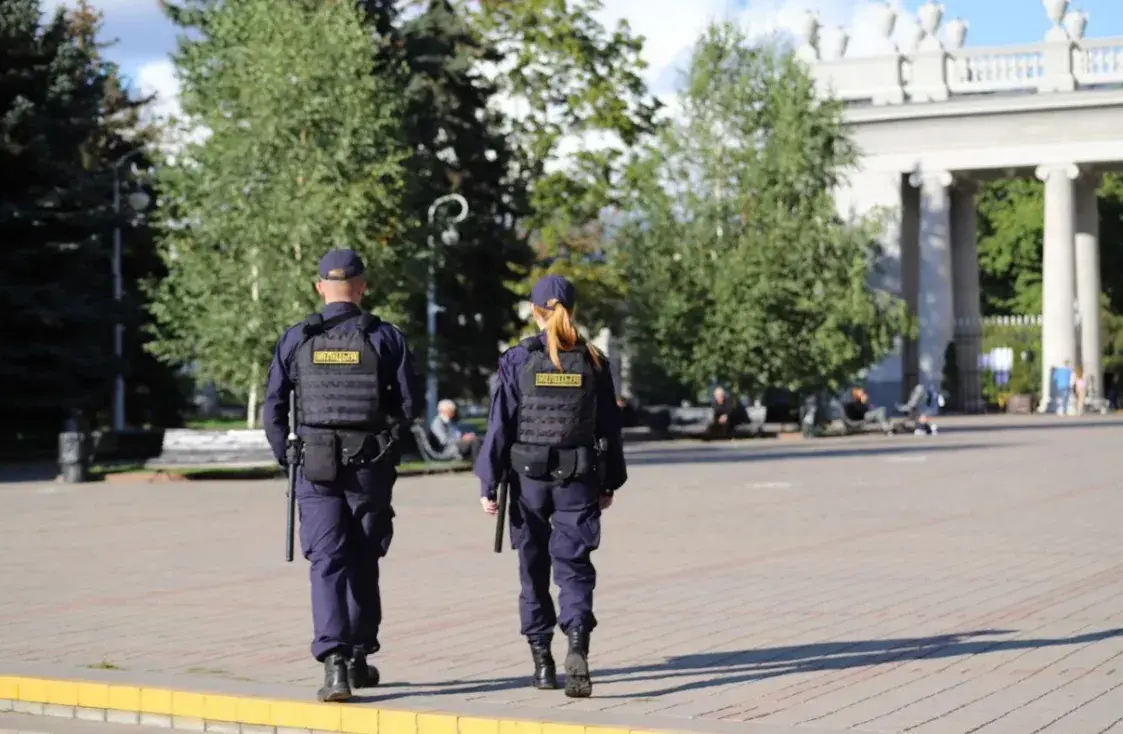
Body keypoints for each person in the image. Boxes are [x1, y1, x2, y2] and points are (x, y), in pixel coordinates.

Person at [262, 248, 420, 703]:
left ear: (319, 287)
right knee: (364, 559)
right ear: (362, 286)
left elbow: (273, 407)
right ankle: (356, 655)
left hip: (314, 466)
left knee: (327, 562)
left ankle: (334, 665)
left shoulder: (296, 338)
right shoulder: (386, 338)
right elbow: (409, 406)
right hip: (370, 464)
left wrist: (286, 456)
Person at [475, 274, 627, 699]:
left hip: (528, 483)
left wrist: (488, 483)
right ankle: (577, 643)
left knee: (533, 571)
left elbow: (499, 427)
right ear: (571, 310)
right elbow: (611, 429)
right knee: (574, 569)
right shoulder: (594, 361)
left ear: (536, 310)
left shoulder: (517, 360)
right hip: (578, 479)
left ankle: (542, 661)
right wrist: (611, 480)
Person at [430, 398, 481, 464]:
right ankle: (478, 464)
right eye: (451, 410)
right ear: (443, 411)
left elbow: (456, 434)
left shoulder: (447, 421)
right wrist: (462, 439)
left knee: (475, 439)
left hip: (454, 445)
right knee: (474, 441)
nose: (453, 413)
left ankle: (479, 464)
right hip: (447, 449)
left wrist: (464, 437)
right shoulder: (438, 423)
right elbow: (444, 441)